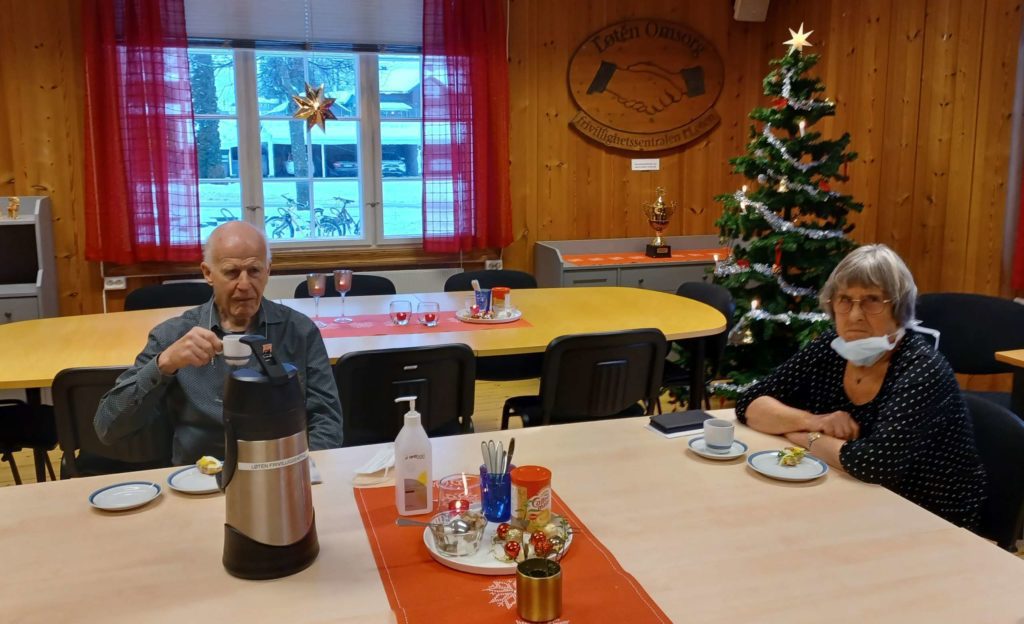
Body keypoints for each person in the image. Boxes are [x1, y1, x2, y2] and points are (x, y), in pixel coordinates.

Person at [735, 244, 986, 529]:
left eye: (872, 300)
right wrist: (814, 420)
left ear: (898, 308)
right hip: (854, 498)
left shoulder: (921, 368)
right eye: (844, 300)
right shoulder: (830, 348)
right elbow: (751, 403)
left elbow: (874, 466)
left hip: (929, 518)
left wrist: (802, 434)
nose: (855, 315)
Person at [95, 221, 343, 465]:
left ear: (268, 271)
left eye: (254, 271)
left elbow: (327, 418)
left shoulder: (299, 331)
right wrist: (164, 364)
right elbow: (107, 427)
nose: (244, 285)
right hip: (198, 476)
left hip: (279, 470)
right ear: (208, 273)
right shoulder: (174, 336)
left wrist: (307, 469)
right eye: (232, 272)